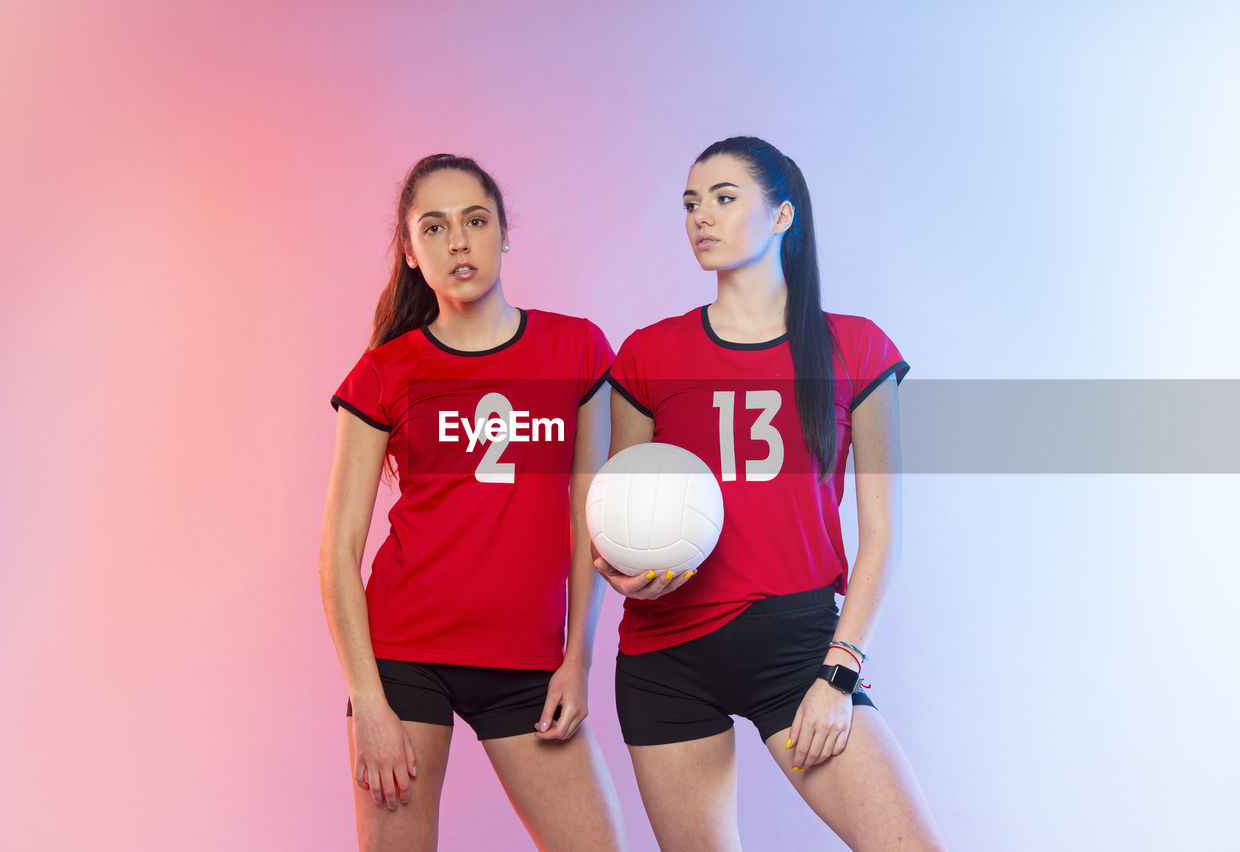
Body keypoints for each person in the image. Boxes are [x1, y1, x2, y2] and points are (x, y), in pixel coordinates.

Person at [597, 137, 946, 851]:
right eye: (692, 203)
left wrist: (840, 672)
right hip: (665, 657)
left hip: (796, 650)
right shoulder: (648, 354)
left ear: (783, 215)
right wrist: (615, 566)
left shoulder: (856, 348)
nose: (701, 217)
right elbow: (615, 506)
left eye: (725, 198)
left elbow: (882, 532)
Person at [318, 154, 626, 851]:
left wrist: (577, 658)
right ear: (410, 251)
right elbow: (338, 550)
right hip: (403, 659)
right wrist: (368, 700)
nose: (458, 241)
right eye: (435, 227)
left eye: (475, 220)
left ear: (503, 233)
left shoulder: (576, 349)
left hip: (527, 664)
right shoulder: (385, 372)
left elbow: (592, 520)